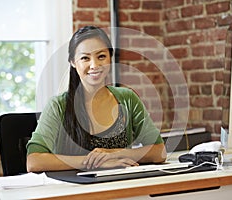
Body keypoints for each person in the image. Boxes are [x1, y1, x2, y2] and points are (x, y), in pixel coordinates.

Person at [26, 25, 166, 172]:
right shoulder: (58, 106)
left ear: (110, 58)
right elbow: (34, 161)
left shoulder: (127, 98)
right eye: (85, 58)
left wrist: (116, 154)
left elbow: (159, 152)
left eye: (101, 56)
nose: (94, 65)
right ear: (73, 62)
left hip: (121, 186)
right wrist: (94, 163)